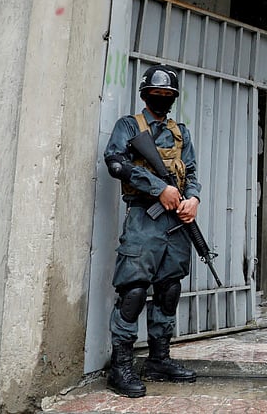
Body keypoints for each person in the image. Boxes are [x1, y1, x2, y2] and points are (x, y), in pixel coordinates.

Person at [103, 64, 202, 398]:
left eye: (167, 95)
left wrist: (193, 199)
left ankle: (160, 359)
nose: (161, 99)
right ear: (145, 94)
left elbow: (190, 170)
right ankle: (121, 366)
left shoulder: (181, 132)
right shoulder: (129, 126)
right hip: (145, 218)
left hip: (176, 222)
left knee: (169, 288)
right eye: (156, 94)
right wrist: (158, 187)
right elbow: (116, 162)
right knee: (133, 292)